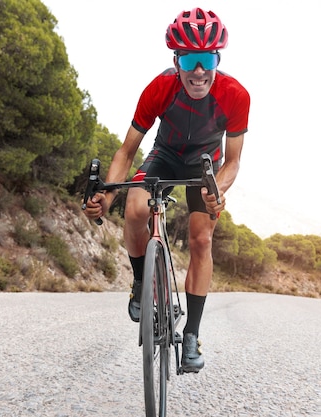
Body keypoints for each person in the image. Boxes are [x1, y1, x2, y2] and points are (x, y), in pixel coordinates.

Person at [83, 7, 250, 373]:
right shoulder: (159, 88)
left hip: (205, 165)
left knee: (201, 240)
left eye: (207, 59)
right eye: (190, 60)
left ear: (217, 59)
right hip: (165, 156)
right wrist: (107, 196)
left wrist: (217, 190)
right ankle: (142, 282)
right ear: (177, 61)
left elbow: (233, 161)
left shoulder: (236, 95)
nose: (199, 71)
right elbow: (127, 151)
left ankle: (191, 336)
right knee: (135, 210)